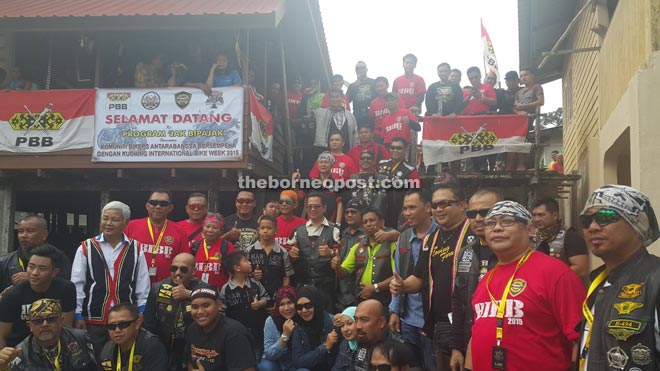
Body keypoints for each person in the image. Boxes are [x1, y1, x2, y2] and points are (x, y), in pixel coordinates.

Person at [464, 201, 585, 371]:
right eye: (490, 223)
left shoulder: (555, 273)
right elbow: (476, 334)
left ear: (530, 230)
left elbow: (581, 340)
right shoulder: (487, 279)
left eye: (507, 221)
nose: (497, 228)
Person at [390, 184, 475, 371]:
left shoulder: (475, 233)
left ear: (462, 205)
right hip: (440, 325)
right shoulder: (432, 238)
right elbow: (418, 279)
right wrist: (402, 286)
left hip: (470, 323)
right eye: (435, 205)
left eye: (445, 204)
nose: (438, 209)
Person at [577, 185, 660, 370]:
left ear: (637, 223)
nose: (592, 227)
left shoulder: (655, 279)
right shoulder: (598, 283)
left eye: (606, 216)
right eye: (586, 220)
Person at [72, 201, 150, 354]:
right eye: (105, 218)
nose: (108, 223)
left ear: (125, 223)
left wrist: (141, 312)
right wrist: (78, 314)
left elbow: (142, 284)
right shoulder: (86, 247)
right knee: (95, 358)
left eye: (115, 219)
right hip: (93, 317)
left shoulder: (136, 249)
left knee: (125, 357)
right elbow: (77, 284)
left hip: (126, 320)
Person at [449, 189, 501, 370]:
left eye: (485, 212)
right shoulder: (465, 253)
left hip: (505, 346)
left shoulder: (512, 252)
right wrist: (456, 347)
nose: (478, 218)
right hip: (470, 346)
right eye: (472, 213)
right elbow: (458, 302)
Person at [389, 189, 438, 370]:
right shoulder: (403, 238)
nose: (407, 213)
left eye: (412, 207)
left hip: (432, 320)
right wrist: (394, 311)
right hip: (408, 318)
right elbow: (398, 278)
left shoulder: (440, 236)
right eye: (405, 208)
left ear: (427, 208)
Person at [0, 245, 76, 348]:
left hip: (55, 347)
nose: (34, 273)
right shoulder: (12, 296)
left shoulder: (66, 289)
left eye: (42, 268)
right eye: (31, 267)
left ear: (54, 272)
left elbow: (67, 328)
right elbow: (1, 336)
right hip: (19, 350)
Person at [143, 252, 208, 371]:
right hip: (163, 345)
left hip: (192, 346)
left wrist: (190, 295)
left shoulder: (203, 289)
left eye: (183, 269)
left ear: (193, 271)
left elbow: (215, 313)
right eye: (174, 268)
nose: (177, 273)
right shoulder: (158, 288)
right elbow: (148, 322)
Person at [0, 299, 98, 370]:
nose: (45, 324)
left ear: (60, 321)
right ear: (30, 326)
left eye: (51, 319)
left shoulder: (82, 339)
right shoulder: (21, 353)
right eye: (38, 321)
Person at [288, 192, 342, 311]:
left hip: (326, 289)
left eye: (316, 206)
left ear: (324, 208)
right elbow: (287, 260)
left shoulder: (335, 230)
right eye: (309, 206)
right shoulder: (298, 231)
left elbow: (343, 259)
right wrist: (291, 256)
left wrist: (331, 253)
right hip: (303, 287)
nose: (312, 209)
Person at [333, 207, 395, 307]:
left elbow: (397, 276)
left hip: (385, 299)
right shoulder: (358, 246)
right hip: (361, 298)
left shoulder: (391, 244)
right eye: (365, 222)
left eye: (372, 220)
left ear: (382, 222)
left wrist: (374, 287)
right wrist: (336, 266)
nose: (368, 224)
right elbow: (343, 273)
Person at [185, 287, 257, 371]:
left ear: (219, 305)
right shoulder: (192, 329)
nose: (200, 311)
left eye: (206, 305)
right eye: (195, 307)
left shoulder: (234, 333)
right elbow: (190, 362)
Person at [125, 190, 187, 284]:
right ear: (147, 206)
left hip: (166, 287)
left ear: (170, 208)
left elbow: (184, 262)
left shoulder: (180, 231)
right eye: (154, 203)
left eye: (163, 204)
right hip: (134, 284)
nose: (158, 207)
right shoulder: (130, 226)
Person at [0, 215, 71, 293]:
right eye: (20, 231)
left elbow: (67, 288)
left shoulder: (59, 258)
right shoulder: (4, 262)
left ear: (44, 234)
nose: (23, 236)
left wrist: (32, 278)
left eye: (30, 231)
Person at [220, 250, 270, 357]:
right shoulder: (226, 289)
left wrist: (260, 304)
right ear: (237, 268)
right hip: (236, 333)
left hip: (257, 331)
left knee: (257, 356)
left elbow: (267, 297)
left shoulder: (255, 284)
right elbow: (222, 311)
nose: (250, 262)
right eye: (246, 261)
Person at [531, 197, 589, 279]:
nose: (536, 219)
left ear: (555, 215)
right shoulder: (531, 237)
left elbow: (581, 269)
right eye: (534, 215)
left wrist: (547, 276)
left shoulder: (571, 236)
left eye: (541, 215)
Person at [100, 303, 168, 371]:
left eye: (123, 324)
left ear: (137, 323)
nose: (117, 330)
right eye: (111, 326)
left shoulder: (152, 345)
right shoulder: (107, 350)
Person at [247, 215, 294, 302]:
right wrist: (252, 275)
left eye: (269, 228)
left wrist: (281, 299)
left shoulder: (282, 252)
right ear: (258, 230)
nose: (265, 231)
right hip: (254, 299)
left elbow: (286, 278)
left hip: (276, 297)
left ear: (276, 230)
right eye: (262, 228)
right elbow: (242, 275)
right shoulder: (249, 251)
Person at [377, 137, 421, 229]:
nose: (395, 150)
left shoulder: (410, 171)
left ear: (405, 149)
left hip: (397, 212)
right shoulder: (381, 164)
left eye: (399, 148)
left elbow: (415, 193)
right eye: (392, 148)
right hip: (378, 209)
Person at [291, 287, 338, 371]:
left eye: (308, 305)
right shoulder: (298, 327)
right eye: (299, 307)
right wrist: (324, 347)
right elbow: (298, 363)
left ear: (316, 304)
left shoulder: (333, 323)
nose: (304, 310)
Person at [335, 199, 367, 312]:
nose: (349, 215)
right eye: (346, 212)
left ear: (362, 214)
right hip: (341, 293)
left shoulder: (369, 233)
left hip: (360, 292)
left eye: (353, 212)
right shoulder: (342, 233)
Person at [192, 213, 235, 289]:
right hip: (196, 291)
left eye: (215, 227)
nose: (210, 230)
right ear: (203, 227)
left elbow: (232, 271)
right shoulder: (195, 246)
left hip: (218, 292)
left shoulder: (226, 246)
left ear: (221, 230)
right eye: (207, 226)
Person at [260, 287, 297, 371]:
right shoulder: (271, 321)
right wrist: (284, 336)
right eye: (282, 304)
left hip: (297, 363)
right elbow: (269, 354)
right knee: (266, 367)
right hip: (277, 361)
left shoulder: (302, 316)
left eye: (290, 303)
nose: (286, 308)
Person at [347, 61, 376, 127]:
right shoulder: (352, 86)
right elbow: (347, 100)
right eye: (357, 68)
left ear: (366, 69)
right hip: (357, 114)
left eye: (362, 67)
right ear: (355, 71)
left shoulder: (374, 82)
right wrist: (355, 86)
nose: (360, 69)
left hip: (371, 112)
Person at [332, 306, 358, 371]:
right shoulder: (344, 344)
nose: (345, 329)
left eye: (349, 323)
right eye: (342, 325)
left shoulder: (369, 347)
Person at [370, 77, 390, 142]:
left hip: (391, 130)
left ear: (387, 85)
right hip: (378, 133)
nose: (380, 88)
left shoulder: (394, 99)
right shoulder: (373, 103)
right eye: (377, 87)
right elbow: (372, 119)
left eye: (381, 86)